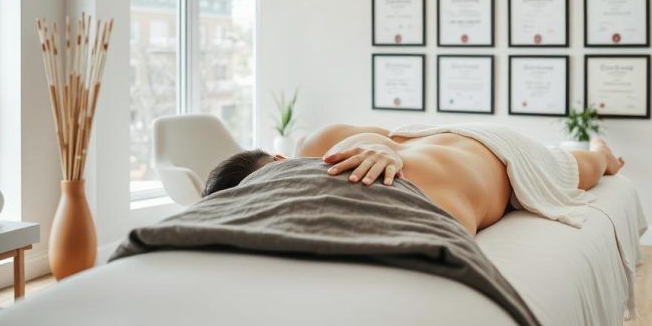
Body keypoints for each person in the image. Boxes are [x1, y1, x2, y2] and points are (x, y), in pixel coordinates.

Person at [203, 122, 624, 235]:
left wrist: (386, 148)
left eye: (282, 176)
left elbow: (394, 131)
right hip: (477, 158)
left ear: (283, 159)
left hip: (475, 143)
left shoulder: (325, 143)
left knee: (586, 168)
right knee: (566, 161)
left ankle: (600, 153)